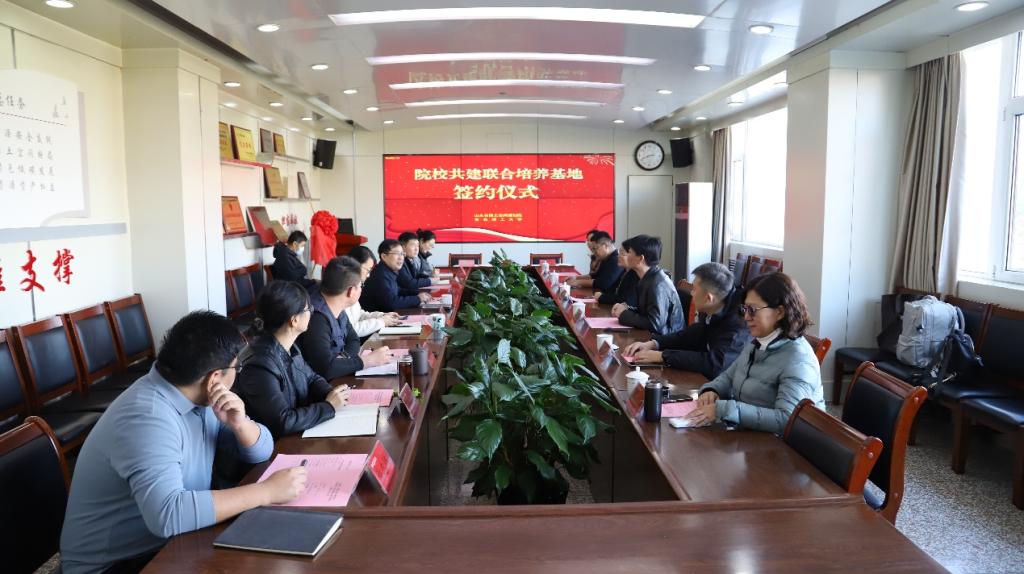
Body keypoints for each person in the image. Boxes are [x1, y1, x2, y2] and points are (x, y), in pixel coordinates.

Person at [60, 311, 305, 574]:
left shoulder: (197, 395)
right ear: (214, 378)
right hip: (115, 564)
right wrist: (266, 492)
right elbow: (168, 516)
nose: (237, 374)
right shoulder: (148, 417)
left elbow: (262, 451)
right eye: (237, 368)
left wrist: (240, 424)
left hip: (171, 542)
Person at [683, 272, 825, 434]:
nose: (746, 317)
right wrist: (712, 390)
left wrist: (724, 409)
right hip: (751, 433)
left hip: (780, 444)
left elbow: (787, 420)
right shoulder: (758, 342)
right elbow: (729, 376)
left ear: (780, 312)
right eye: (745, 309)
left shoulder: (798, 360)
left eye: (753, 310)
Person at [623, 262, 750, 379]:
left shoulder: (738, 324)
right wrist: (655, 343)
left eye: (694, 289)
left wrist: (663, 356)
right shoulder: (717, 305)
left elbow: (714, 363)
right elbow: (694, 333)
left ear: (709, 298)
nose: (691, 294)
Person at [297, 257, 392, 379]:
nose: (361, 289)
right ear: (351, 291)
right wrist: (367, 361)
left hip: (339, 378)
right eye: (361, 285)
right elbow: (326, 369)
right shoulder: (316, 318)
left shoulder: (337, 306)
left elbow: (353, 340)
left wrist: (343, 359)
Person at [611, 235, 684, 335]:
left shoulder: (657, 285)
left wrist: (624, 314)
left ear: (640, 258)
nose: (627, 255)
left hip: (667, 339)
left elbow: (654, 324)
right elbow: (647, 313)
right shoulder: (648, 277)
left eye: (630, 252)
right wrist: (627, 309)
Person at [345, 245, 403, 337]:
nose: (368, 275)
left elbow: (359, 315)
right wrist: (381, 322)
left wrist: (382, 316)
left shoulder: (354, 285)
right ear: (355, 265)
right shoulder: (343, 288)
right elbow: (351, 330)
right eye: (368, 270)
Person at [361, 239, 431, 312]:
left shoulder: (387, 270)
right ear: (384, 256)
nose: (401, 258)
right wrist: (418, 298)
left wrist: (417, 293)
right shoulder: (380, 275)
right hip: (375, 317)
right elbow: (391, 303)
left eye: (402, 254)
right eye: (397, 254)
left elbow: (397, 290)